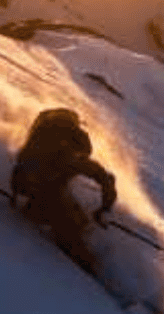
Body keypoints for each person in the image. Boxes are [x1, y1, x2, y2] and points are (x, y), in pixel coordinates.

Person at [10, 108, 117, 272]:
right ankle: (86, 264)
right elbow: (98, 174)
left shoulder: (38, 140)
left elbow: (19, 175)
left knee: (70, 212)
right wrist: (104, 208)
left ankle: (78, 244)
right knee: (70, 223)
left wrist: (16, 195)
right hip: (42, 196)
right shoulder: (68, 151)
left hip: (29, 189)